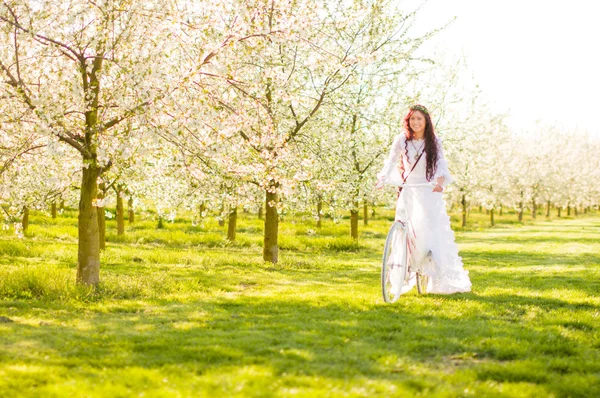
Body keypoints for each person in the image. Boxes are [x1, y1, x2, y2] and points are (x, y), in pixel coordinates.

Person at [376, 104, 471, 294]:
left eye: (419, 119)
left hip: (427, 189)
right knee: (405, 226)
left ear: (426, 121)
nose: (416, 122)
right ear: (408, 121)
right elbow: (391, 160)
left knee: (430, 231)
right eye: (412, 119)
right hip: (408, 188)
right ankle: (405, 265)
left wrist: (440, 182)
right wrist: (383, 177)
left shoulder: (434, 141)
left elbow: (440, 163)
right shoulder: (401, 140)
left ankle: (433, 273)